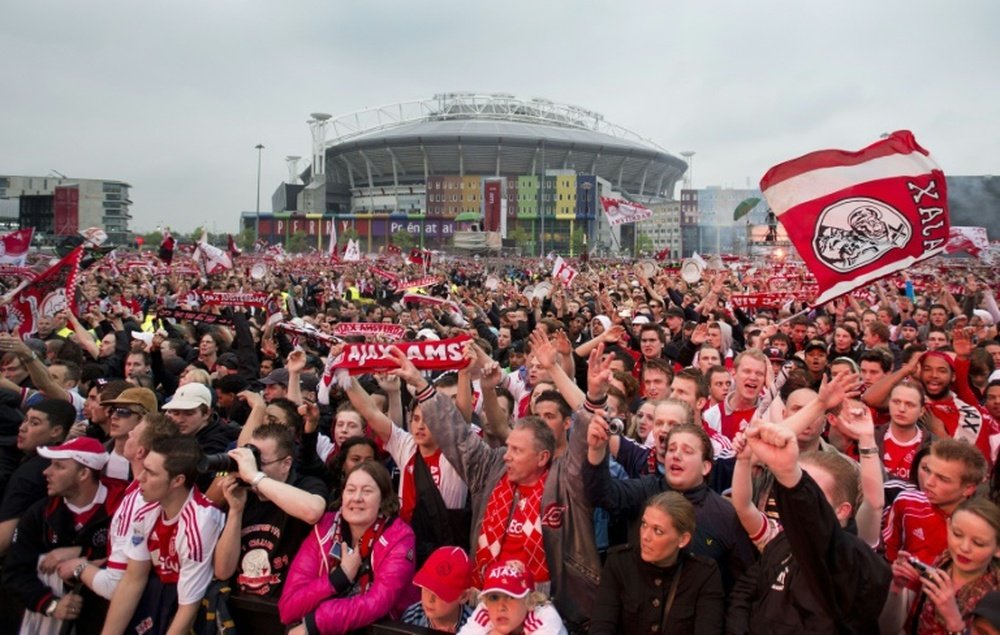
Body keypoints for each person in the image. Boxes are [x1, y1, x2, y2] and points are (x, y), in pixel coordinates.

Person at [393, 336, 602, 632]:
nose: (506, 455)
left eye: (517, 450)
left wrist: (591, 394)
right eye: (508, 446)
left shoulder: (565, 483)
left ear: (542, 457)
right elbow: (457, 437)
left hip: (541, 603)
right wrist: (419, 383)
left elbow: (583, 440)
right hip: (484, 600)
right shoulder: (491, 469)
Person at [726, 421, 892, 633]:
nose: (796, 497)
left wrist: (792, 477)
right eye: (792, 488)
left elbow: (873, 505)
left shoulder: (852, 559)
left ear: (843, 510)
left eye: (810, 491)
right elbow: (745, 592)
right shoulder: (781, 542)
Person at [100, 436, 225, 635]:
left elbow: (188, 608)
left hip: (196, 611)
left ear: (177, 480)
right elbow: (133, 579)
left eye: (150, 472)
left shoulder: (200, 523)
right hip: (162, 598)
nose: (140, 477)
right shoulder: (146, 510)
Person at [2, 437, 126, 635]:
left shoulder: (123, 507)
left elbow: (134, 561)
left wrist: (82, 552)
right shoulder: (40, 513)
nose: (46, 472)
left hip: (110, 620)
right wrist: (51, 605)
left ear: (84, 473)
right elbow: (15, 571)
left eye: (58, 466)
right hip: (52, 622)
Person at [278, 461, 417, 635]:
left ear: (383, 499)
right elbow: (288, 608)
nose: (357, 497)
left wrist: (314, 623)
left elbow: (378, 603)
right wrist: (340, 577)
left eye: (367, 491)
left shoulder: (399, 536)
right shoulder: (324, 527)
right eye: (350, 490)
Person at [214, 423, 328, 634]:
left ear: (286, 464)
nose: (251, 469)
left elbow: (313, 511)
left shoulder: (307, 484)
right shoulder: (243, 495)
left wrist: (256, 478)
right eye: (251, 460)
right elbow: (222, 570)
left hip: (287, 616)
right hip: (243, 612)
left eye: (260, 462)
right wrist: (235, 511)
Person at [590, 491, 724, 635]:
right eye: (644, 525)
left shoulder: (703, 574)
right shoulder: (619, 563)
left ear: (683, 540)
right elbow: (601, 626)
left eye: (658, 531)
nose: (645, 536)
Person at [884, 497, 1000, 634]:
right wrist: (897, 587)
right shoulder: (942, 562)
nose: (964, 547)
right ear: (948, 526)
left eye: (978, 543)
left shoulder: (995, 596)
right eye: (957, 534)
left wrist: (955, 624)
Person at [458, 559, 567, 635]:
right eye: (494, 597)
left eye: (511, 596)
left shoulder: (545, 617)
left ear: (529, 601)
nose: (501, 607)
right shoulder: (485, 610)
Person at [401, 546, 475, 632]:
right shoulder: (412, 617)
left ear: (463, 597)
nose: (430, 599)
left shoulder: (476, 627)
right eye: (426, 588)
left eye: (440, 593)